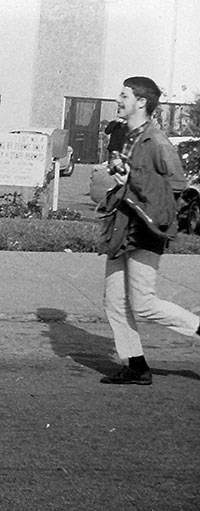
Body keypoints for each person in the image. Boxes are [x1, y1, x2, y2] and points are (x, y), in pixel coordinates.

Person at [96, 76, 200, 385]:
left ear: (141, 102)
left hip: (145, 229)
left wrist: (141, 194)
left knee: (143, 303)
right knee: (114, 302)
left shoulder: (156, 141)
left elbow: (178, 186)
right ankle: (137, 365)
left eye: (124, 95)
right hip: (121, 225)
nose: (118, 99)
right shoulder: (124, 135)